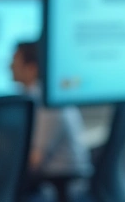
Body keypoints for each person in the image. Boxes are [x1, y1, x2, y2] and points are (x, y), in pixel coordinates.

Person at [9, 40, 92, 185]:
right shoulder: (40, 96)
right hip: (55, 182)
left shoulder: (46, 103)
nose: (9, 66)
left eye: (15, 61)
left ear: (31, 68)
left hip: (59, 188)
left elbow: (34, 161)